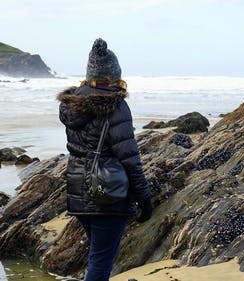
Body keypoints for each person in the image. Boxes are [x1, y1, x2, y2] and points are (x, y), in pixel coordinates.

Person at [57, 38, 153, 281]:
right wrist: (145, 198)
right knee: (100, 262)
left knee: (97, 256)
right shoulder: (116, 107)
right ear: (114, 76)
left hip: (79, 190)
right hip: (108, 194)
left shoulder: (72, 105)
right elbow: (130, 158)